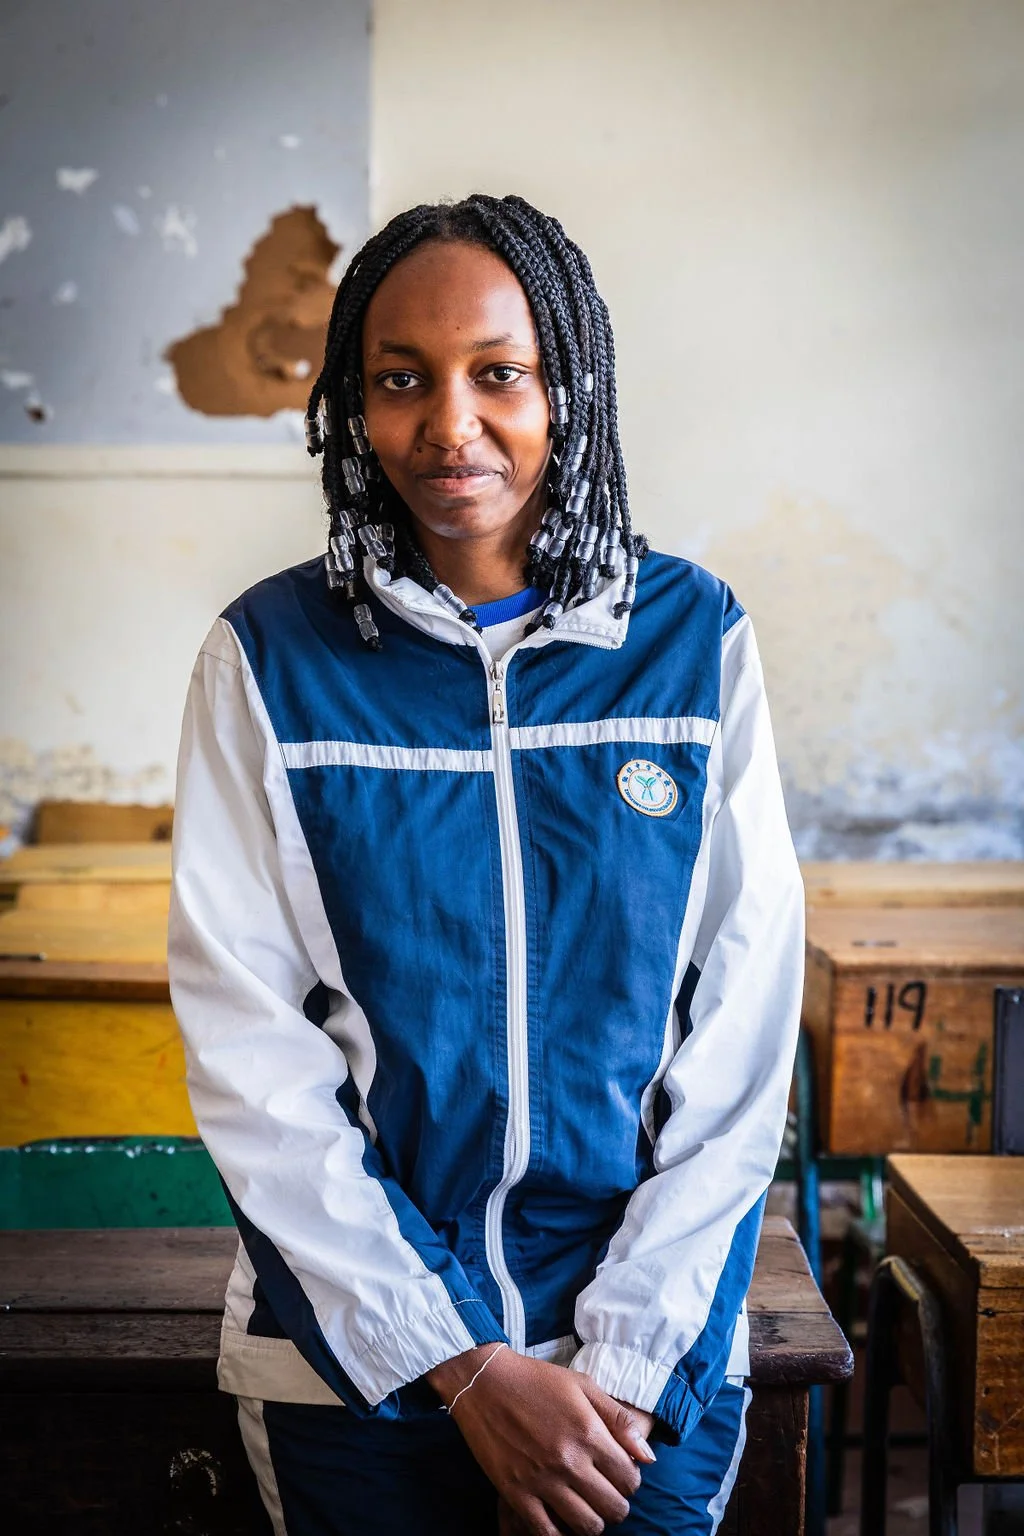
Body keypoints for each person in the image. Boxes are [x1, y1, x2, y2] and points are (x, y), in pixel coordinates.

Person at [169, 193, 804, 1536]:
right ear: (353, 405)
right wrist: (455, 1363)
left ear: (569, 388)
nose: (449, 424)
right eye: (401, 380)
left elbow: (740, 1044)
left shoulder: (692, 642)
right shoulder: (268, 658)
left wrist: (620, 1370)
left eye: (499, 374)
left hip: (644, 1368)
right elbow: (250, 1052)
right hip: (355, 1364)